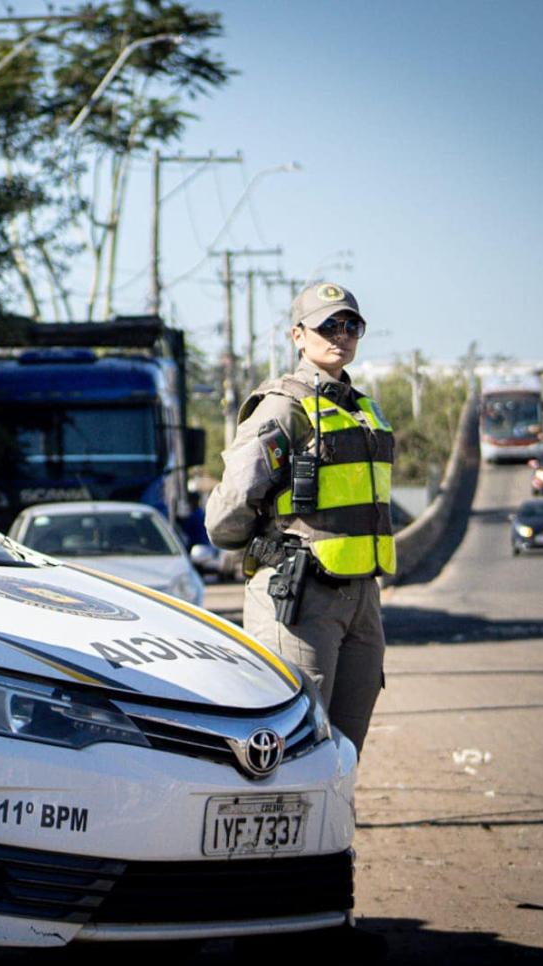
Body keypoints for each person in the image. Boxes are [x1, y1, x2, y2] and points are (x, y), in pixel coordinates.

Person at [205, 282, 393, 758]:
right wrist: (269, 547)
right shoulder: (284, 406)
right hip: (300, 599)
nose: (341, 335)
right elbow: (227, 514)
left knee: (345, 753)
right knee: (296, 750)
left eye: (351, 325)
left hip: (361, 600)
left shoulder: (363, 409)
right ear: (298, 334)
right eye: (328, 325)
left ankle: (337, 836)